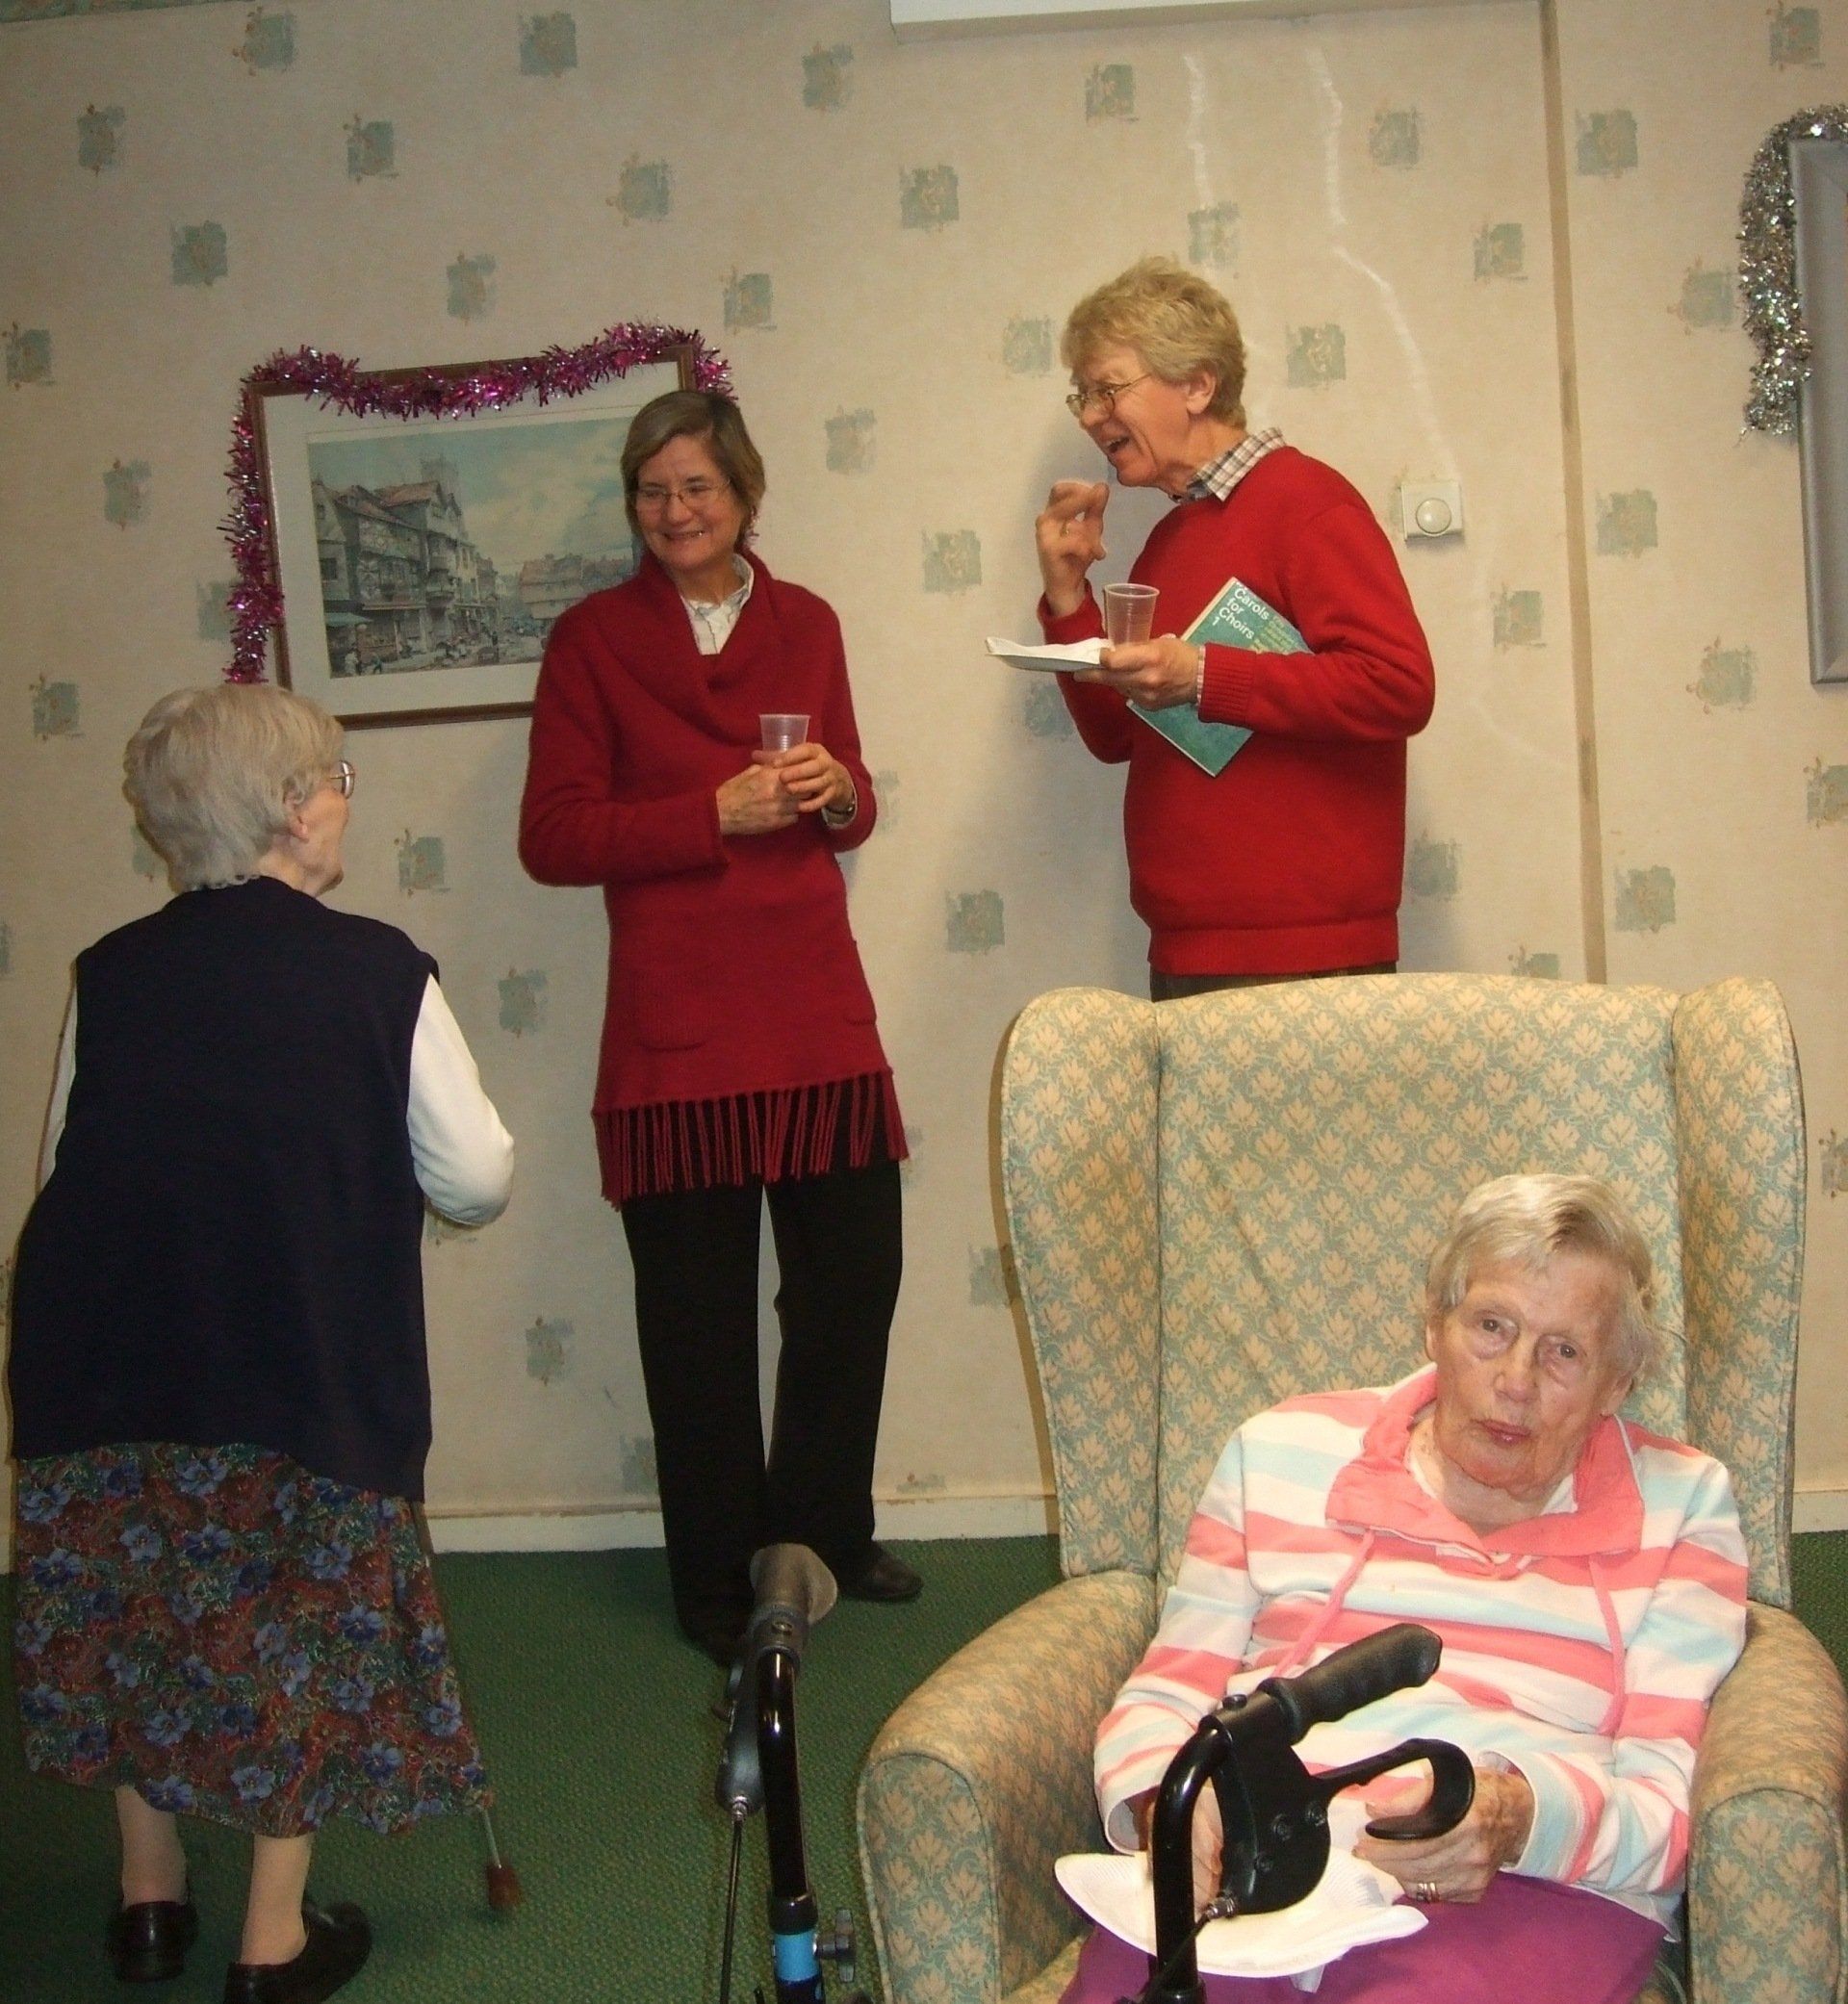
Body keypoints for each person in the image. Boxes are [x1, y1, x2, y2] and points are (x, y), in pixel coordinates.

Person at [8, 684, 514, 2004]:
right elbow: (476, 1178)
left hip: (101, 1354)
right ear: (293, 809)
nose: (344, 799)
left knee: (133, 1605)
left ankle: (150, 1897)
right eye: (338, 778)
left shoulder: (109, 971)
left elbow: (65, 1163)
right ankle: (271, 1942)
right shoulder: (377, 970)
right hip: (295, 1361)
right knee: (297, 1621)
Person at [1064, 1173, 1747, 2004]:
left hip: (1523, 1882)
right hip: (1264, 1847)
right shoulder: (1279, 1451)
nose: (1517, 1380)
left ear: (1617, 1384)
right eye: (1492, 1328)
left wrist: (1517, 1820)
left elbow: (1669, 1805)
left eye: (1565, 1351)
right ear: (1435, 1326)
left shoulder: (1681, 1506)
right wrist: (1169, 1809)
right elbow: (1166, 1693)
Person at [518, 388, 914, 1668]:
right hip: (676, 1029)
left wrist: (840, 790)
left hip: (813, 1012)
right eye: (654, 491)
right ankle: (714, 1575)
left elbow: (851, 806)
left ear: (745, 494)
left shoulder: (811, 623)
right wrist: (710, 815)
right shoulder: (592, 639)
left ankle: (824, 1536)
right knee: (694, 1325)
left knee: (851, 1287)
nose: (676, 510)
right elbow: (553, 836)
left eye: (698, 487)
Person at [1035, 257, 1436, 999]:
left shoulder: (1307, 502)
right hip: (1187, 951)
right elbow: (1118, 735)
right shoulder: (1168, 541)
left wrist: (1202, 674)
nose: (1089, 416)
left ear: (1197, 385)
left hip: (1306, 958)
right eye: (1082, 396)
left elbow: (1399, 687)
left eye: (1107, 389)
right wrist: (1067, 599)